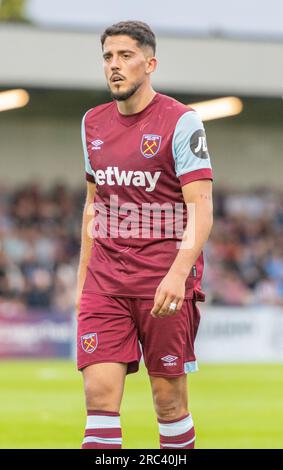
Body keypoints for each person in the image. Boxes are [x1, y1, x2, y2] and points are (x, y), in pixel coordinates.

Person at [76, 20, 213, 450]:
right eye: (108, 57)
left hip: (163, 281)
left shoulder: (183, 121)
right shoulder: (92, 123)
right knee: (98, 397)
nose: (114, 66)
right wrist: (83, 283)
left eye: (125, 56)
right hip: (106, 281)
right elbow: (92, 206)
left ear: (150, 63)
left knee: (168, 402)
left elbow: (202, 208)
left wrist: (177, 274)